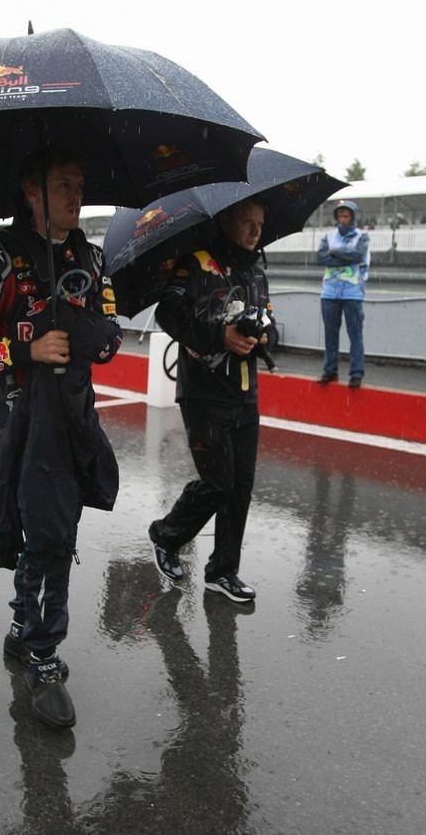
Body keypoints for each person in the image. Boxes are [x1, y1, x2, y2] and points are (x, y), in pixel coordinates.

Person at [0, 147, 123, 728]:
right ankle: (44, 655)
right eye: (63, 184)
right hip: (20, 412)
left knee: (53, 525)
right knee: (48, 528)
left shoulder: (94, 259)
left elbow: (110, 341)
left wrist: (74, 326)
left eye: (80, 183)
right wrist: (28, 349)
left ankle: (24, 627)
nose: (76, 195)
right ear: (31, 191)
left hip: (75, 411)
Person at [147, 197, 273, 604]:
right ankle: (167, 535)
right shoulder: (198, 262)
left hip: (244, 392)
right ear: (225, 221)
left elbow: (267, 318)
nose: (255, 231)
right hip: (203, 392)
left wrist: (265, 335)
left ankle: (223, 571)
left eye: (260, 223)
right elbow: (169, 314)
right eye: (247, 222)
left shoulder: (257, 269)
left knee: (240, 486)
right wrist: (221, 335)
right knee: (218, 481)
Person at [316, 200, 370, 388]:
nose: (343, 220)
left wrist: (335, 253)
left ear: (353, 217)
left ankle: (356, 373)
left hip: (352, 292)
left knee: (355, 335)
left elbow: (358, 255)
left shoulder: (362, 236)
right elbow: (321, 257)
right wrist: (344, 256)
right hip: (329, 292)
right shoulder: (328, 236)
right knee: (330, 334)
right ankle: (330, 371)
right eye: (340, 216)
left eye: (346, 216)